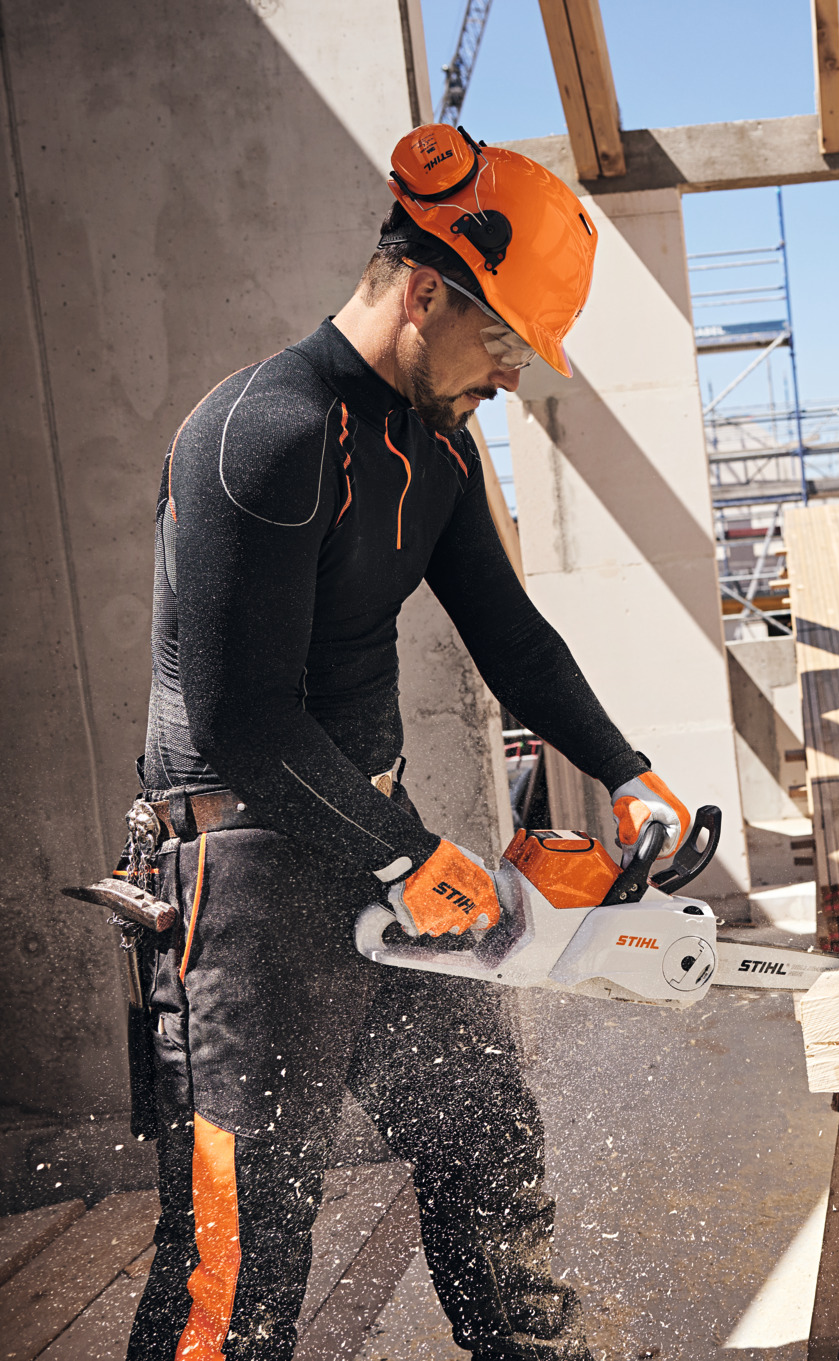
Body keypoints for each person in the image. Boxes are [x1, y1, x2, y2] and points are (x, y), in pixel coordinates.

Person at [125, 125, 687, 1361]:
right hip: (253, 877)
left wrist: (629, 770)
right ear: (427, 288)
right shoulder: (264, 432)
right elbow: (241, 718)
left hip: (376, 841)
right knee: (242, 1250)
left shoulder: (436, 445)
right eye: (505, 342)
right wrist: (403, 856)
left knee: (486, 1143)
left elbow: (512, 637)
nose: (515, 377)